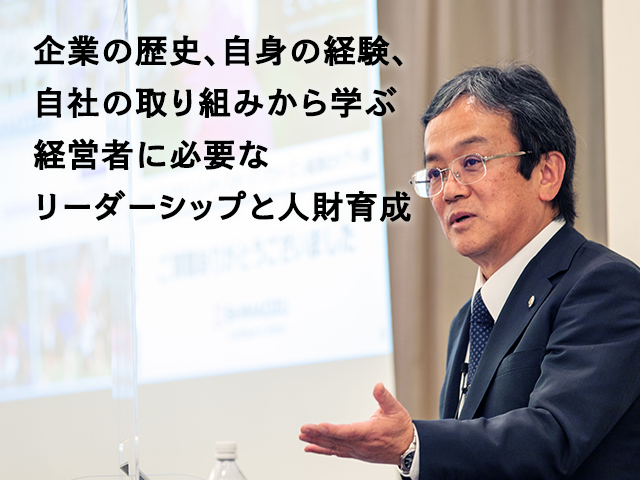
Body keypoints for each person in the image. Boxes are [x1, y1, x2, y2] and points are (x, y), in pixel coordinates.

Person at [299, 64, 640, 479]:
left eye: (472, 162)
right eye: (436, 173)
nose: (450, 190)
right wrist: (413, 458)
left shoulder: (604, 287)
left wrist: (414, 446)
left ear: (547, 174)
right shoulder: (469, 319)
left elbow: (551, 439)